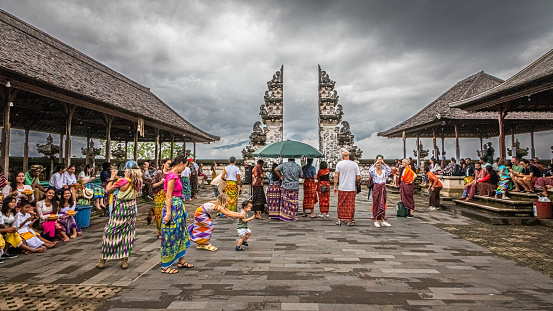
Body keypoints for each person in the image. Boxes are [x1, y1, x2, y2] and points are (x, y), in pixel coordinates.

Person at [96, 161, 142, 270]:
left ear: (128, 171)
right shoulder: (138, 181)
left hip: (121, 209)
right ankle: (124, 259)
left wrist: (112, 178)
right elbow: (126, 179)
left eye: (125, 169)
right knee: (127, 233)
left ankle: (103, 259)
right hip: (131, 209)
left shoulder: (122, 181)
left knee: (110, 232)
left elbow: (108, 190)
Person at [160, 155, 192, 274]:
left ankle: (181, 260)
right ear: (181, 163)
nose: (184, 169)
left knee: (181, 233)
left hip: (178, 207)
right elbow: (168, 195)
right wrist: (168, 213)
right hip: (173, 207)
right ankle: (165, 265)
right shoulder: (172, 176)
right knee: (171, 235)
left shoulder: (174, 175)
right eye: (185, 166)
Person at [334, 150, 361, 226]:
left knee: (341, 203)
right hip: (351, 188)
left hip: (342, 187)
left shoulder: (339, 164)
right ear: (349, 156)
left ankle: (340, 219)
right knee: (350, 204)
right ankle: (349, 219)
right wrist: (357, 183)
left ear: (342, 156)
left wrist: (335, 186)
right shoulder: (355, 164)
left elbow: (336, 176)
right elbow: (358, 177)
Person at [368, 157, 391, 227]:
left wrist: (383, 162)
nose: (379, 165)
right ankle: (376, 219)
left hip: (382, 187)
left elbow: (389, 170)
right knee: (376, 203)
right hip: (376, 187)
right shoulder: (374, 171)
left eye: (380, 164)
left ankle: (383, 219)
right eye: (378, 164)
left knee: (382, 202)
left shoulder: (384, 171)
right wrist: (375, 163)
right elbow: (370, 171)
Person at [151, 158, 171, 237]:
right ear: (163, 164)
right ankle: (160, 231)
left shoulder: (172, 173)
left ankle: (168, 230)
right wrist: (161, 182)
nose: (169, 165)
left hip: (168, 194)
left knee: (168, 212)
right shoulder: (159, 174)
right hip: (159, 195)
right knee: (159, 214)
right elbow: (152, 185)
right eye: (167, 163)